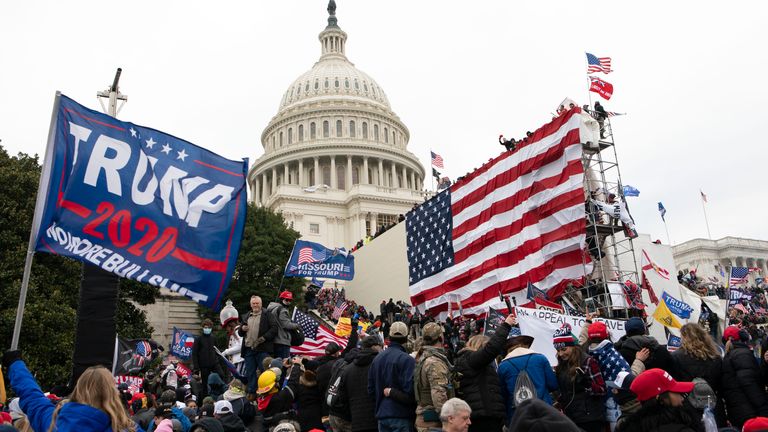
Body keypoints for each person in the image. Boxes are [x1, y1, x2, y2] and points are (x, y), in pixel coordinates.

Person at [454, 314, 514, 432]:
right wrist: (506, 325)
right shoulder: (470, 359)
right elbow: (491, 350)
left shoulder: (469, 361)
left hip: (484, 416)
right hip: (483, 419)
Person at [552, 324, 606, 432]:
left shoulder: (587, 361)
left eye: (564, 349)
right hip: (571, 418)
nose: (561, 353)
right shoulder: (561, 365)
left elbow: (602, 390)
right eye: (558, 350)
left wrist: (587, 385)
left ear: (572, 346)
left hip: (590, 419)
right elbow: (566, 391)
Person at [670, 323, 726, 426]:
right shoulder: (715, 357)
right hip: (713, 404)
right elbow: (722, 386)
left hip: (689, 407)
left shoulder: (675, 357)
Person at [497, 328, 558, 422]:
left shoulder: (503, 366)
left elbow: (503, 395)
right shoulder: (540, 358)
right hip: (544, 411)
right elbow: (553, 385)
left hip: (518, 416)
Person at [368, 321, 416, 432]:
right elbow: (410, 392)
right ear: (405, 338)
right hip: (402, 416)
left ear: (390, 336)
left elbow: (371, 391)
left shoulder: (377, 359)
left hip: (382, 416)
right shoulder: (407, 360)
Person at [616, 368, 699, 432]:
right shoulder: (681, 428)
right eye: (675, 392)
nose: (682, 397)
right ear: (660, 398)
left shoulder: (631, 426)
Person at [721, 325, 768, 428]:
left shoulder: (728, 355)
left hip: (737, 410)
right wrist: (763, 408)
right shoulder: (742, 354)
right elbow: (749, 384)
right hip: (750, 411)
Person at [414, 323, 453, 432]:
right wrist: (449, 421)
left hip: (427, 420)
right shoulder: (434, 362)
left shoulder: (423, 356)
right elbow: (439, 396)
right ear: (441, 338)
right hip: (433, 423)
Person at [238, 295, 278, 400]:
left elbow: (274, 328)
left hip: (263, 348)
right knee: (250, 372)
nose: (255, 305)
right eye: (253, 303)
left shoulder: (267, 314)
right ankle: (252, 393)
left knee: (264, 371)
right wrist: (242, 328)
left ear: (261, 304)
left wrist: (264, 338)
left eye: (257, 303)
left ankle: (265, 392)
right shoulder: (247, 316)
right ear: (251, 305)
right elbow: (240, 333)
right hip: (248, 349)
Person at [340, 336, 382, 432]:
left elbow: (342, 398)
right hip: (377, 419)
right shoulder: (380, 364)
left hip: (356, 421)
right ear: (375, 347)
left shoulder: (347, 370)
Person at [257, 358, 302, 430]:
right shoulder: (279, 398)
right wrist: (296, 365)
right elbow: (292, 384)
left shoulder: (264, 399)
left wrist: (283, 369)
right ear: (274, 385)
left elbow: (277, 386)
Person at [194, 319, 226, 400]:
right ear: (203, 328)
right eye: (205, 327)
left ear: (211, 328)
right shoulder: (199, 339)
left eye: (208, 327)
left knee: (221, 375)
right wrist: (196, 368)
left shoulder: (213, 338)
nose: (207, 329)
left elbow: (217, 350)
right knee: (204, 384)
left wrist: (218, 360)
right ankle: (205, 400)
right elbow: (194, 354)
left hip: (214, 363)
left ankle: (219, 394)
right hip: (204, 365)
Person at [267, 291, 301, 360]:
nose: (288, 302)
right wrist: (297, 325)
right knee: (284, 364)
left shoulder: (272, 308)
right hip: (282, 341)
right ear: (281, 299)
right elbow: (286, 325)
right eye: (286, 300)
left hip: (273, 340)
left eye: (290, 300)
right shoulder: (282, 310)